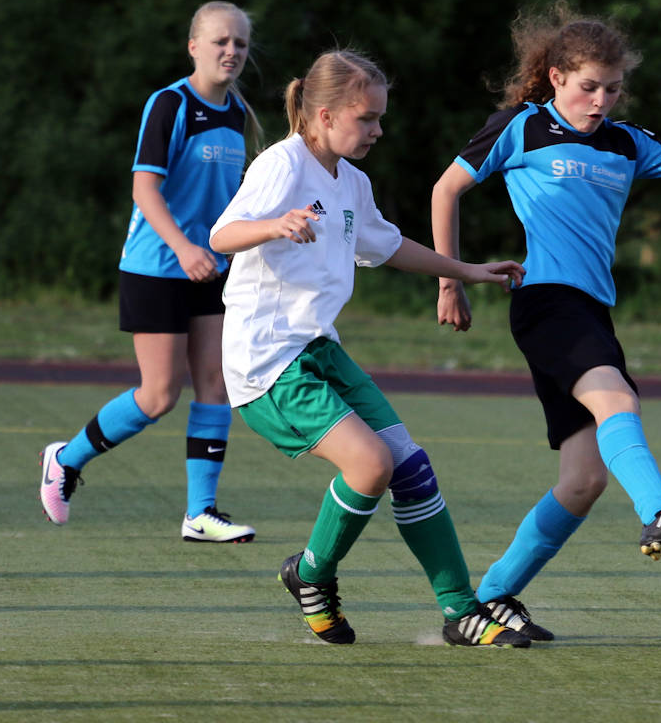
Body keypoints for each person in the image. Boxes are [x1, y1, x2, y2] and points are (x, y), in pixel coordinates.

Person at [431, 2, 661, 641]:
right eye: (590, 86)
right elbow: (445, 189)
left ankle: (485, 601)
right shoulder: (523, 126)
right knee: (615, 397)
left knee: (583, 479)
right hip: (543, 299)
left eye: (613, 88)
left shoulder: (627, 140)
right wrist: (451, 279)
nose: (602, 99)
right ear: (557, 77)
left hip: (590, 308)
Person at [209, 49, 531, 648]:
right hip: (268, 361)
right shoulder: (283, 165)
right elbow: (222, 234)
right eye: (368, 118)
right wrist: (274, 224)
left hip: (319, 350)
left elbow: (385, 245)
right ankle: (311, 575)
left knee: (410, 466)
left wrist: (463, 271)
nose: (379, 130)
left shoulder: (352, 181)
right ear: (325, 115)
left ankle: (461, 611)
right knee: (372, 466)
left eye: (380, 117)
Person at [40, 1, 263, 543]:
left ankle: (200, 514)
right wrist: (185, 248)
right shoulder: (170, 104)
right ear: (194, 46)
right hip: (157, 267)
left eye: (239, 43)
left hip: (209, 268)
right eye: (219, 41)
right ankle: (66, 459)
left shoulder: (239, 114)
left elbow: (234, 200)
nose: (230, 51)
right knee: (160, 395)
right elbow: (145, 188)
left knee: (216, 383)